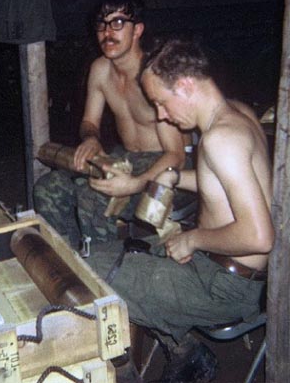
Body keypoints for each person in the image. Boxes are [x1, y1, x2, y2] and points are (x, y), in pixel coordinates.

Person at [86, 38, 274, 382]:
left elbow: (260, 237)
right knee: (103, 255)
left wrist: (193, 240)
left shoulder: (221, 140)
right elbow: (221, 184)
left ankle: (150, 362)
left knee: (95, 275)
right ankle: (184, 350)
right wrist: (168, 178)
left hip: (224, 287)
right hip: (218, 268)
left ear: (186, 85)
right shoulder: (236, 114)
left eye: (160, 102)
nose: (161, 115)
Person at [34, 0, 192, 250]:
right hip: (127, 159)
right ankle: (73, 260)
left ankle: (105, 275)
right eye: (102, 24)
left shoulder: (153, 75)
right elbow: (89, 122)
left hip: (171, 169)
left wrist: (133, 184)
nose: (108, 32)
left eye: (118, 23)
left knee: (92, 195)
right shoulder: (100, 69)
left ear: (137, 30)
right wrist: (92, 138)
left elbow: (175, 155)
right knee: (48, 187)